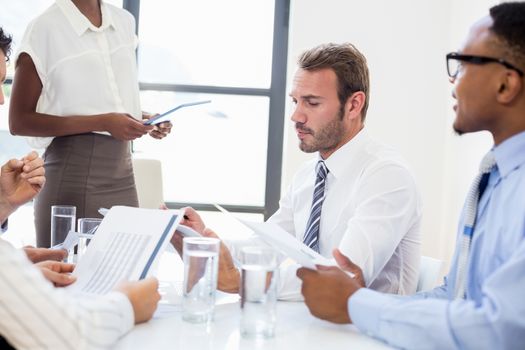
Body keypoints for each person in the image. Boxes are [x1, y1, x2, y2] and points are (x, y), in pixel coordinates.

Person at [297, 2, 525, 349]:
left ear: (506, 85)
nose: (452, 80)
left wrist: (356, 303)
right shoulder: (493, 176)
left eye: (464, 64)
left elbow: (500, 330)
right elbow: (455, 297)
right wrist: (361, 306)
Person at [176, 42, 422, 299]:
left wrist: (244, 281)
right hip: (310, 324)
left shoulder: (387, 176)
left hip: (365, 333)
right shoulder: (309, 175)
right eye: (295, 101)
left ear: (353, 105)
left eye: (312, 103)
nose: (296, 116)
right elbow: (267, 247)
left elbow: (344, 274)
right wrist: (204, 245)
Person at [0, 26, 161, 349]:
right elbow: (70, 338)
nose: (1, 98)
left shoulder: (122, 24)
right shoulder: (48, 28)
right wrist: (128, 303)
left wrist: (3, 209)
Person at [8, 0, 172, 248]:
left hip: (123, 175)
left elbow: (104, 101)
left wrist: (142, 120)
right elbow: (19, 121)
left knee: (123, 277)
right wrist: (105, 121)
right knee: (66, 277)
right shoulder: (45, 28)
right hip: (72, 176)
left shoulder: (124, 22)